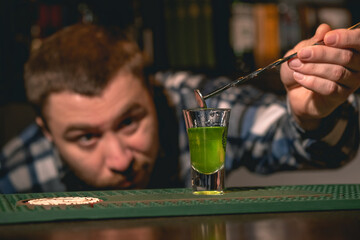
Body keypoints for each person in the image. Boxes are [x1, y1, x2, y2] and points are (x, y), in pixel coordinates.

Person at [0, 23, 359, 193]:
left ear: (152, 91)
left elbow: (326, 150)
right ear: (47, 132)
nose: (120, 160)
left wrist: (311, 114)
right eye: (86, 137)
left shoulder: (187, 102)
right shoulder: (15, 177)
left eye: (129, 122)